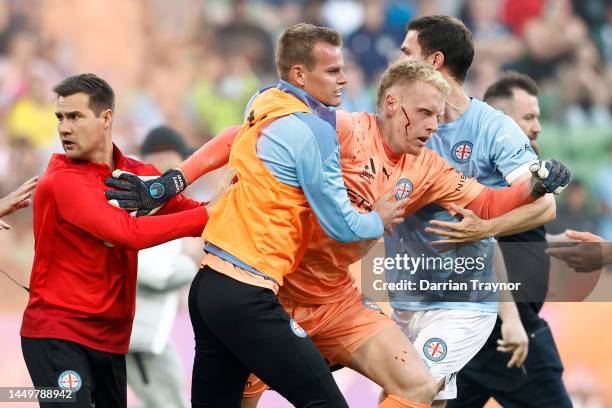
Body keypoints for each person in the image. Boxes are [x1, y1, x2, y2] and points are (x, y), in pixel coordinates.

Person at [109, 59, 571, 408]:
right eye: (426, 112)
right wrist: (173, 180)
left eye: (439, 115)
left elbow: (488, 203)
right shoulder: (343, 130)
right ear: (392, 105)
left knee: (420, 384)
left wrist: (533, 184)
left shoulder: (428, 166)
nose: (435, 124)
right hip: (271, 295)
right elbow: (240, 136)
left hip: (337, 300)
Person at [109, 23, 409, 408]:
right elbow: (342, 225)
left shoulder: (264, 101)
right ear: (300, 74)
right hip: (247, 294)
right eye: (333, 71)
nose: (345, 78)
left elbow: (233, 135)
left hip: (209, 289)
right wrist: (378, 219)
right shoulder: (314, 132)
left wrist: (172, 181)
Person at [383, 16, 558, 408]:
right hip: (406, 295)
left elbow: (546, 204)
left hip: (463, 302)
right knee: (425, 397)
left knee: (415, 390)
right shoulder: (399, 122)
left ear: (434, 61)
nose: (397, 61)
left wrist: (485, 228)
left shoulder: (494, 130)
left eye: (406, 52)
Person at [19, 73, 218, 408]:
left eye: (75, 116)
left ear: (106, 117)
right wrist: (208, 216)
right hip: (58, 333)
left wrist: (229, 209)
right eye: (60, 118)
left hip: (112, 340)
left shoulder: (137, 173)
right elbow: (127, 234)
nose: (64, 128)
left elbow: (195, 211)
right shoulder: (61, 181)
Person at [446, 71, 573, 408]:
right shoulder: (486, 178)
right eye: (528, 117)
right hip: (508, 329)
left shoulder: (514, 175)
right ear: (499, 123)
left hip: (477, 330)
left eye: (538, 117)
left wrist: (554, 244)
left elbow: (511, 231)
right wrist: (512, 319)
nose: (538, 127)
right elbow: (483, 242)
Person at [125, 126, 199, 408]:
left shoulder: (151, 199)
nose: (184, 170)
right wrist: (190, 263)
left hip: (140, 332)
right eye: (180, 160)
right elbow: (153, 271)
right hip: (140, 336)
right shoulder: (144, 201)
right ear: (165, 157)